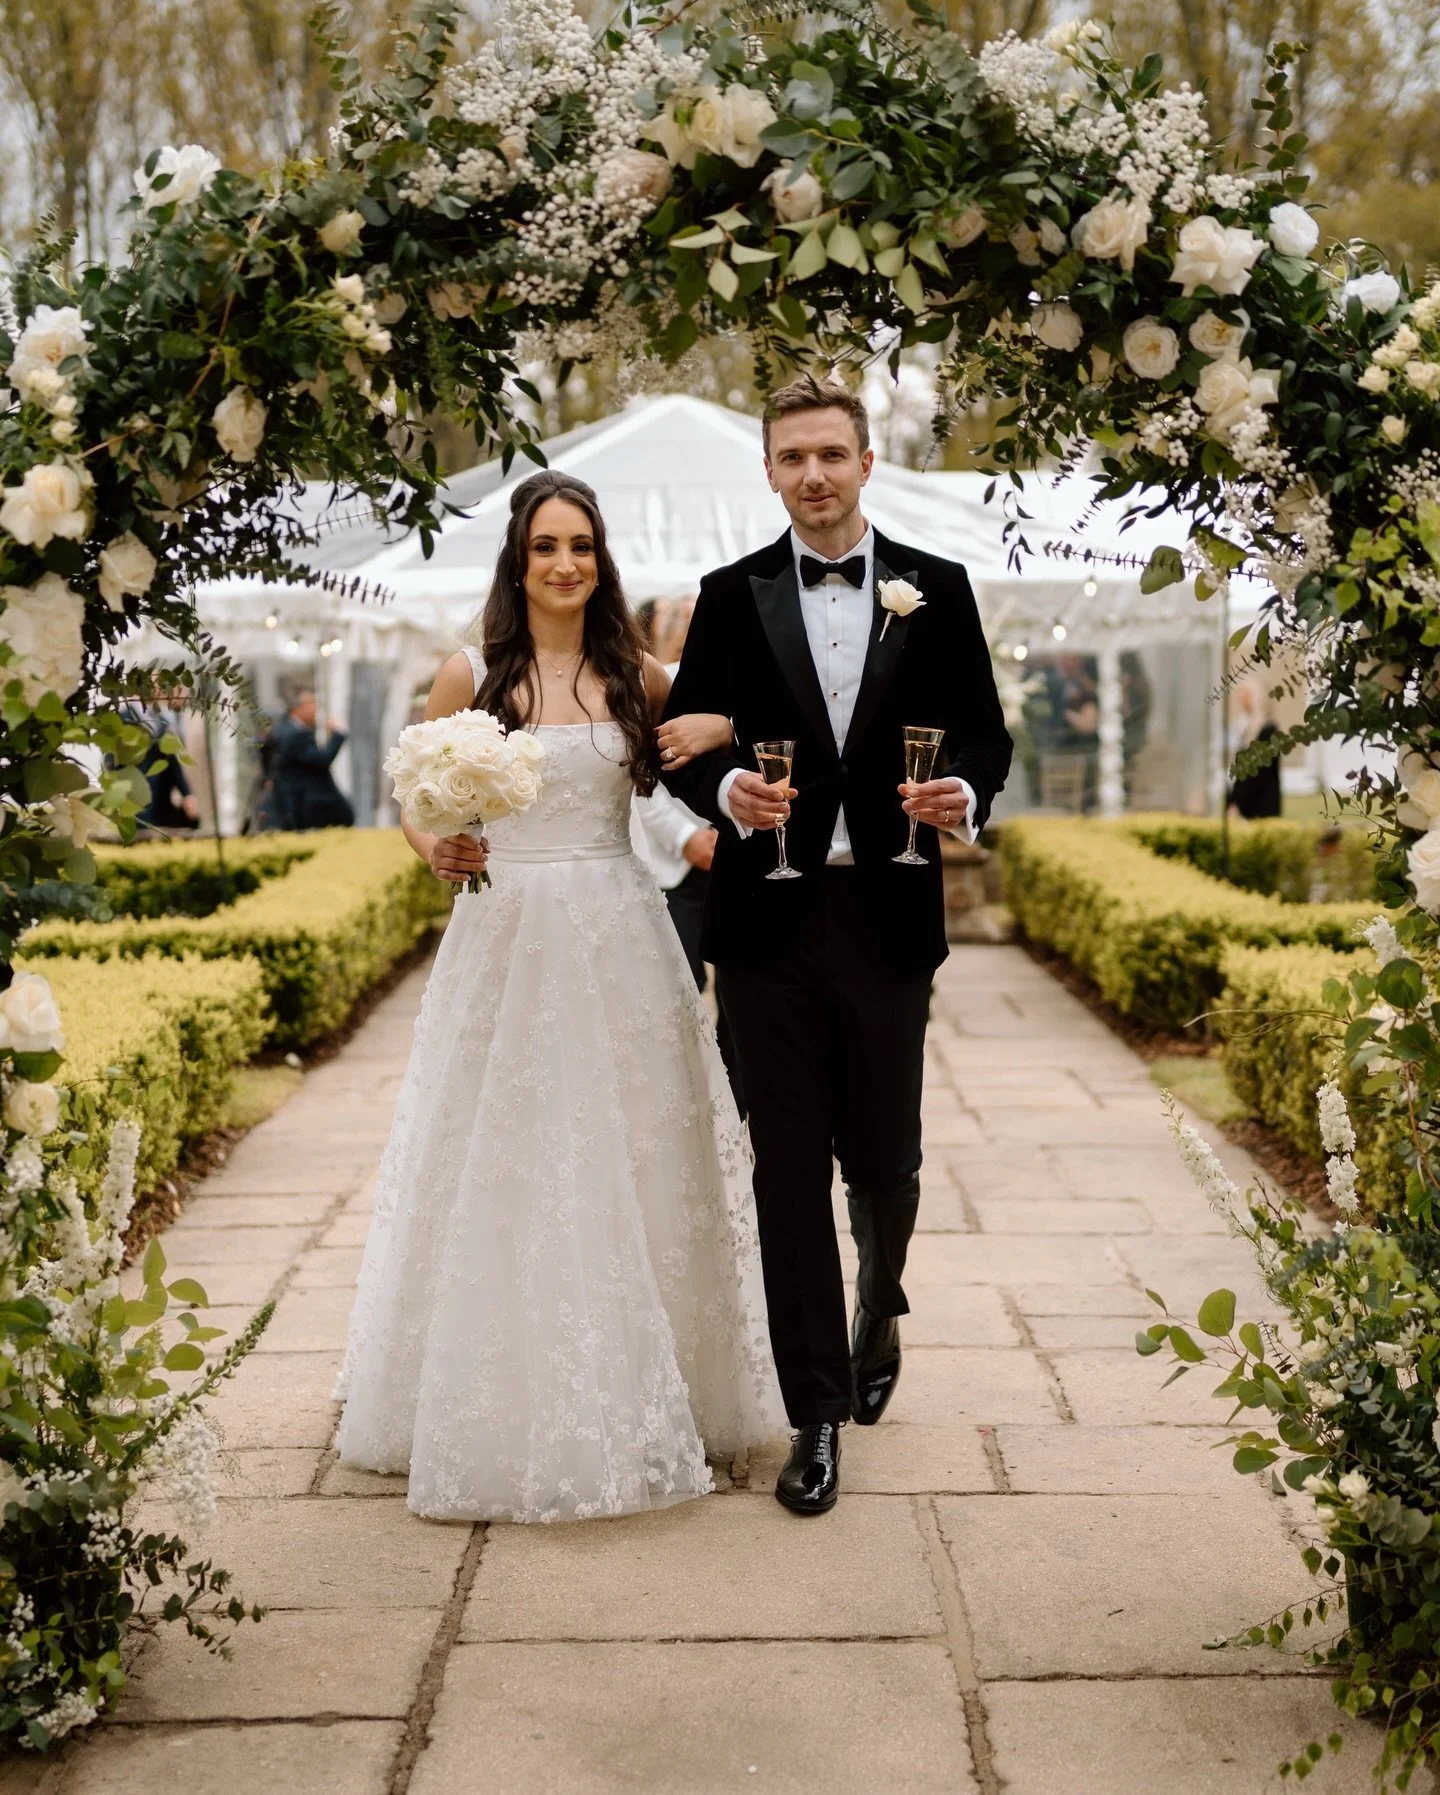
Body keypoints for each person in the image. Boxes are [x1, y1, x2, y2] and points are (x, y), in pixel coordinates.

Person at [336, 469, 783, 1523]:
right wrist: (434, 844)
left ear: (602, 555)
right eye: (546, 546)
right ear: (518, 558)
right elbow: (412, 798)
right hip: (504, 934)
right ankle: (486, 1387)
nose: (566, 563)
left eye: (581, 543)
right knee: (504, 1150)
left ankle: (663, 1381)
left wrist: (719, 745)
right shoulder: (470, 677)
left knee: (631, 1150)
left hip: (620, 932)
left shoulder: (640, 675)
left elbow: (740, 717)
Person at [662, 373, 1013, 1516]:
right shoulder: (730, 594)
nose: (811, 474)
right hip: (764, 924)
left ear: (867, 462)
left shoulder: (940, 589)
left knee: (888, 1161)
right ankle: (812, 1410)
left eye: (830, 454)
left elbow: (987, 741)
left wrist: (962, 790)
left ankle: (884, 1299)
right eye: (792, 457)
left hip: (891, 912)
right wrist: (725, 792)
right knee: (785, 1170)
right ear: (769, 471)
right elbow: (685, 746)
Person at [269, 689, 356, 830]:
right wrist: (338, 734)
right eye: (311, 703)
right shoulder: (294, 734)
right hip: (307, 805)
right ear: (297, 708)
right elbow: (322, 760)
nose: (316, 708)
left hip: (301, 804)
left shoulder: (286, 729)